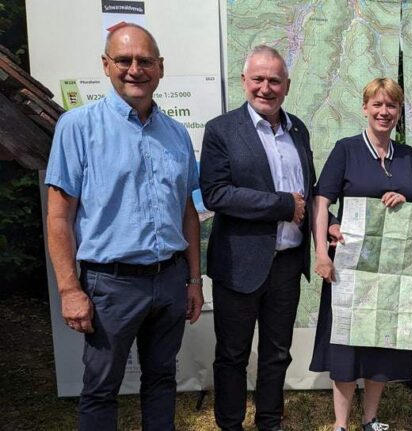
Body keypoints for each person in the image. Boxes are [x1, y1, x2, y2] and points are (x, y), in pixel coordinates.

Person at [45, 23, 203, 430]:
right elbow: (59, 215)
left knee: (162, 380)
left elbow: (187, 211)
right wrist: (68, 289)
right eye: (124, 60)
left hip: (169, 280)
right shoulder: (78, 128)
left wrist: (194, 281)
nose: (135, 69)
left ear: (160, 68)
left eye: (145, 61)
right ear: (106, 65)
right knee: (100, 389)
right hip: (109, 286)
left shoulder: (177, 135)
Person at [200, 45, 320, 431]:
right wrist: (282, 205)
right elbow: (215, 193)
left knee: (277, 353)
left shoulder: (297, 128)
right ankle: (231, 424)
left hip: (287, 263)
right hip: (240, 264)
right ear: (244, 81)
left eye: (274, 80)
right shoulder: (222, 130)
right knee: (233, 355)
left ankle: (270, 421)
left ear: (286, 85)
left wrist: (327, 223)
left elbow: (310, 190)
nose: (265, 88)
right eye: (258, 79)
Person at [311, 77, 412, 431]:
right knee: (348, 345)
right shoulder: (346, 150)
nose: (384, 112)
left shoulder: (409, 156)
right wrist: (322, 252)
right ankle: (340, 424)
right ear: (365, 108)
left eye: (391, 105)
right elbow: (322, 201)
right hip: (349, 268)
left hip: (393, 272)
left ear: (399, 111)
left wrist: (406, 203)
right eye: (377, 104)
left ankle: (370, 420)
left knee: (381, 343)